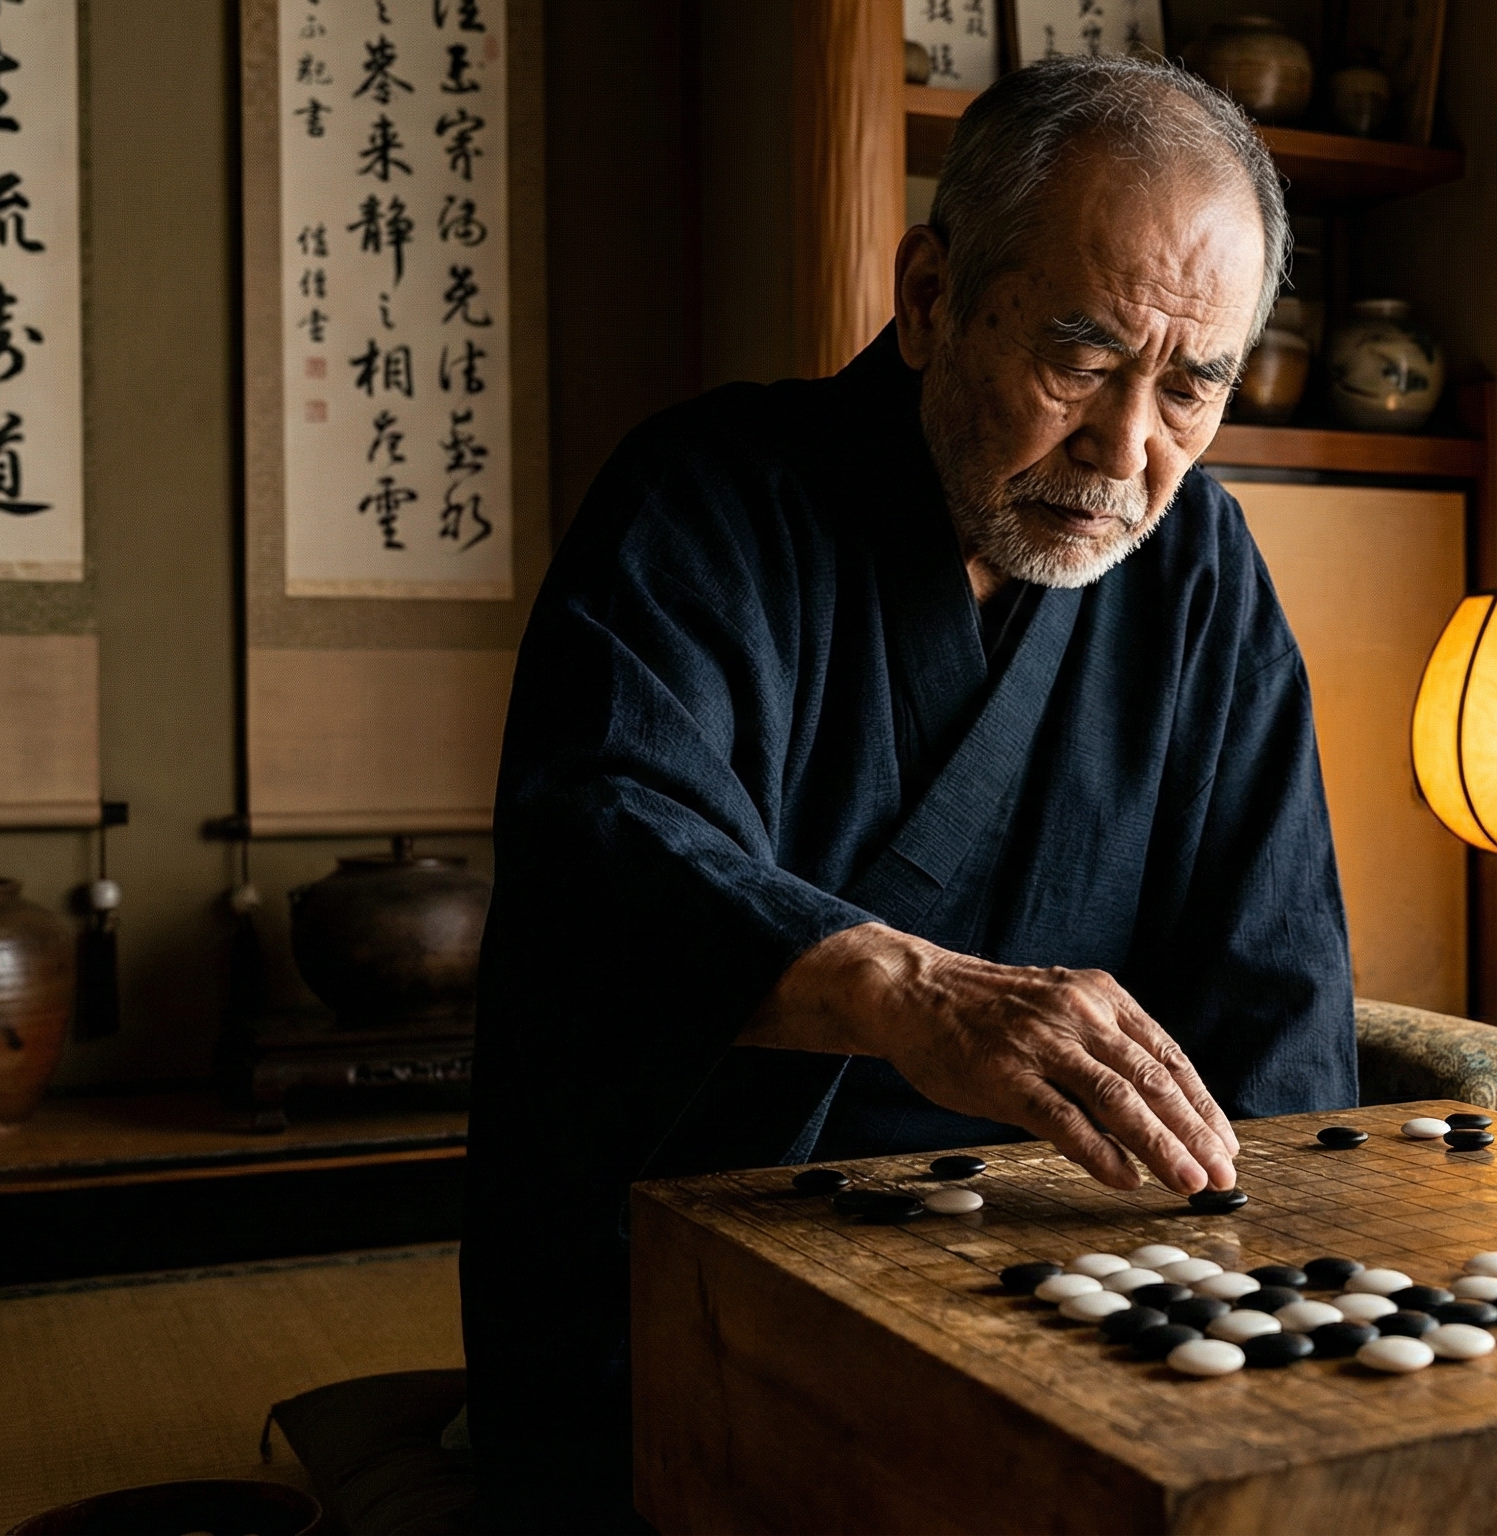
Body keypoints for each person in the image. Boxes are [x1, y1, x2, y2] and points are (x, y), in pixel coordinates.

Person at [463, 55, 1357, 1527]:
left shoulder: (1203, 576)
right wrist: (905, 990)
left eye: (1191, 386)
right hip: (707, 1271)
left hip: (1080, 1291)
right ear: (932, 294)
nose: (1129, 452)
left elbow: (1278, 999)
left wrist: (1271, 1298)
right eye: (1079, 360)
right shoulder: (707, 496)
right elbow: (608, 843)